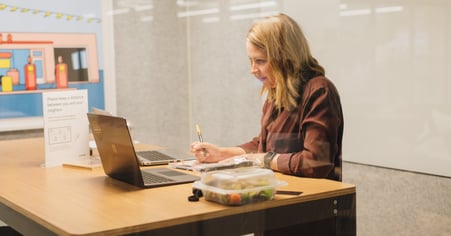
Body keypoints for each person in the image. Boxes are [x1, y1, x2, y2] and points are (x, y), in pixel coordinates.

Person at [191, 13, 344, 181]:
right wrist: (221, 153)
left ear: (285, 59)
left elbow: (316, 163)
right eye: (251, 61)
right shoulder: (275, 91)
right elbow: (265, 145)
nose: (253, 69)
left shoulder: (319, 90)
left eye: (260, 61)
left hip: (313, 201)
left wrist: (265, 159)